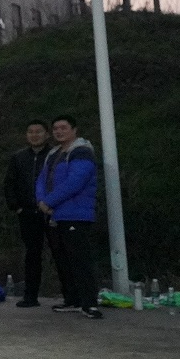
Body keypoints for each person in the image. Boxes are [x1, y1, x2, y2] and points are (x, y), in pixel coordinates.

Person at [36, 115, 105, 320]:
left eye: (63, 128)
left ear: (74, 130)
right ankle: (72, 299)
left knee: (79, 259)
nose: (59, 132)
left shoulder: (81, 152)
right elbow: (42, 180)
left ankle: (89, 303)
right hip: (55, 215)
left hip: (76, 214)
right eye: (55, 128)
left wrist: (49, 201)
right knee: (62, 259)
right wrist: (41, 201)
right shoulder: (53, 153)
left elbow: (75, 181)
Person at [3, 120, 56, 307]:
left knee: (61, 253)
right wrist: (16, 207)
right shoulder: (18, 157)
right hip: (27, 213)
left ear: (47, 134)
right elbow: (9, 183)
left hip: (52, 212)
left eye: (38, 131)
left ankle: (71, 296)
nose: (34, 135)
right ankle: (30, 296)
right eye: (30, 131)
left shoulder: (55, 155)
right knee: (32, 255)